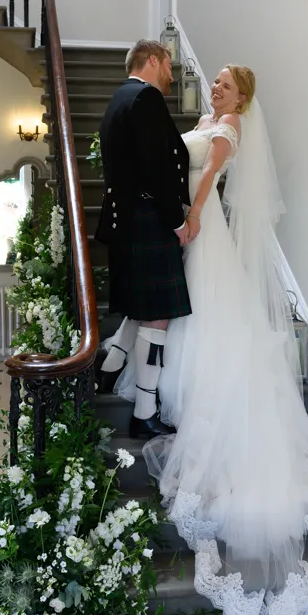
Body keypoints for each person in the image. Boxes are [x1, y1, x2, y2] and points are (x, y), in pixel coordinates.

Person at [112, 65, 308, 615]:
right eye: (214, 83)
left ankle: (138, 366)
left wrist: (189, 218)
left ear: (242, 98)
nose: (216, 89)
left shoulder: (229, 126)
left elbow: (208, 174)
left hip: (201, 226)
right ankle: (129, 360)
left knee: (201, 312)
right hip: (183, 224)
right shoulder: (204, 118)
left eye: (226, 86)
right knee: (171, 310)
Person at [95, 40, 192, 439]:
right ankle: (144, 412)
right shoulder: (146, 98)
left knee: (143, 310)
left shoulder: (119, 99)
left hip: (128, 221)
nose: (172, 74)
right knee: (157, 317)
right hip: (147, 220)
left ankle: (111, 362)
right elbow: (157, 169)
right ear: (153, 59)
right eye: (168, 64)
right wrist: (177, 221)